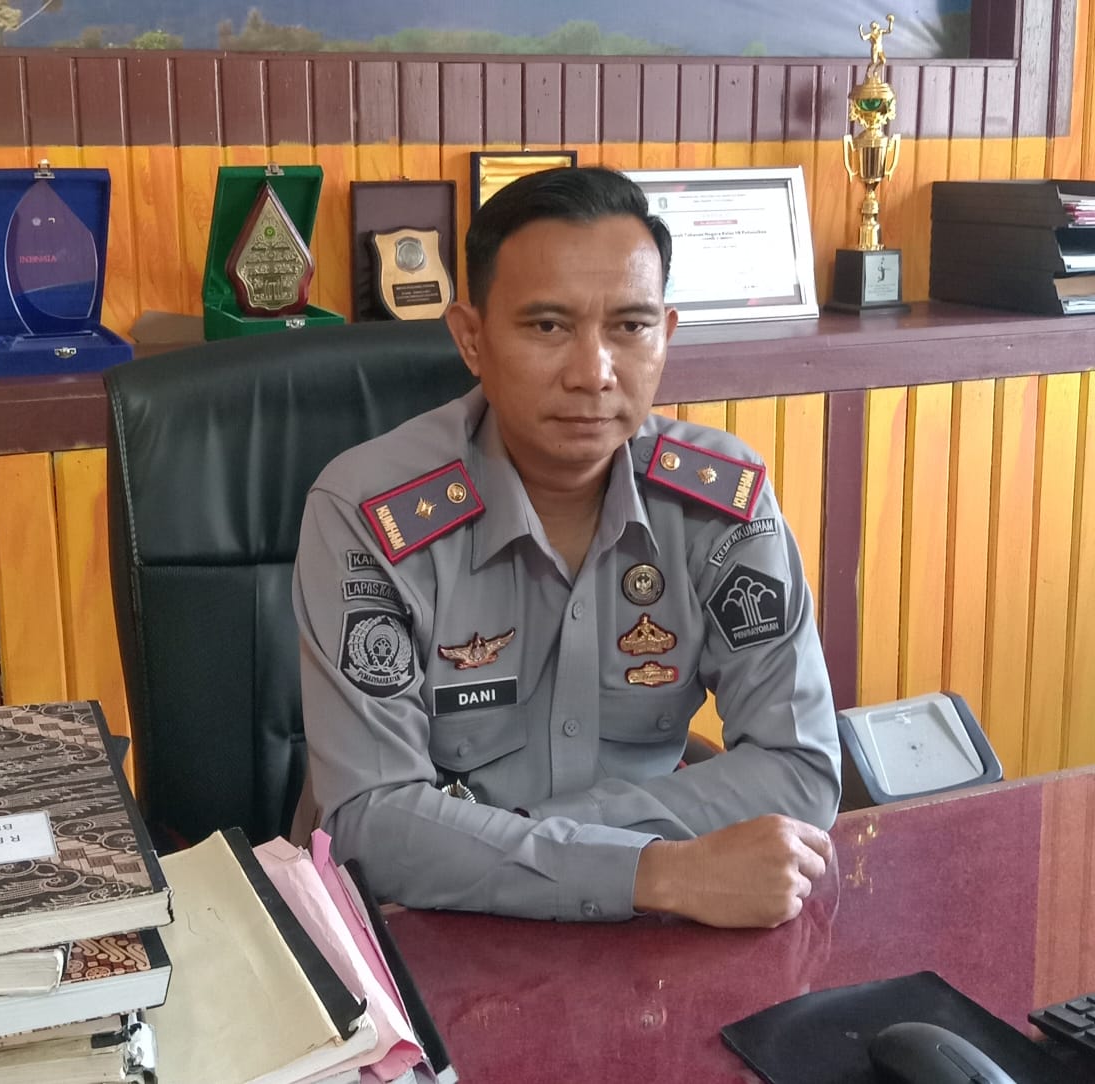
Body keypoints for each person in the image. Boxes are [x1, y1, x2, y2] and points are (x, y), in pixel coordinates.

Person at [293, 166, 840, 929]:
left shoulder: (719, 504)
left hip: (647, 927)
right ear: (472, 338)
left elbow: (800, 767)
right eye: (548, 327)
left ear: (666, 335)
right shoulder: (367, 512)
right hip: (430, 930)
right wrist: (647, 870)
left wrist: (526, 845)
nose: (593, 374)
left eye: (630, 327)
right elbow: (372, 825)